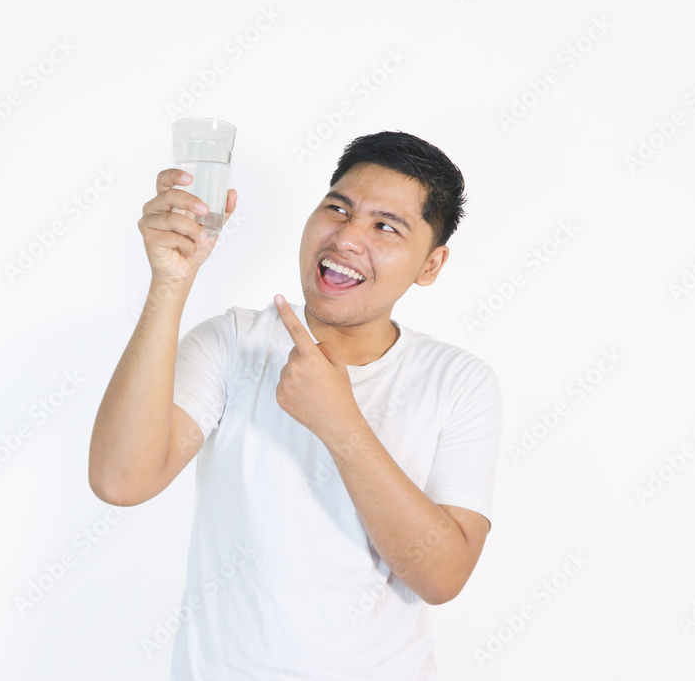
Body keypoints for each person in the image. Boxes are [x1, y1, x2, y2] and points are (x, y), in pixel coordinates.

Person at [89, 131, 503, 680]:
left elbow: (442, 575)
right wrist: (171, 283)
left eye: (385, 226)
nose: (348, 237)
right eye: (338, 208)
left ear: (431, 264)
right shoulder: (233, 342)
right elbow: (121, 480)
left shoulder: (459, 381)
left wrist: (340, 423)